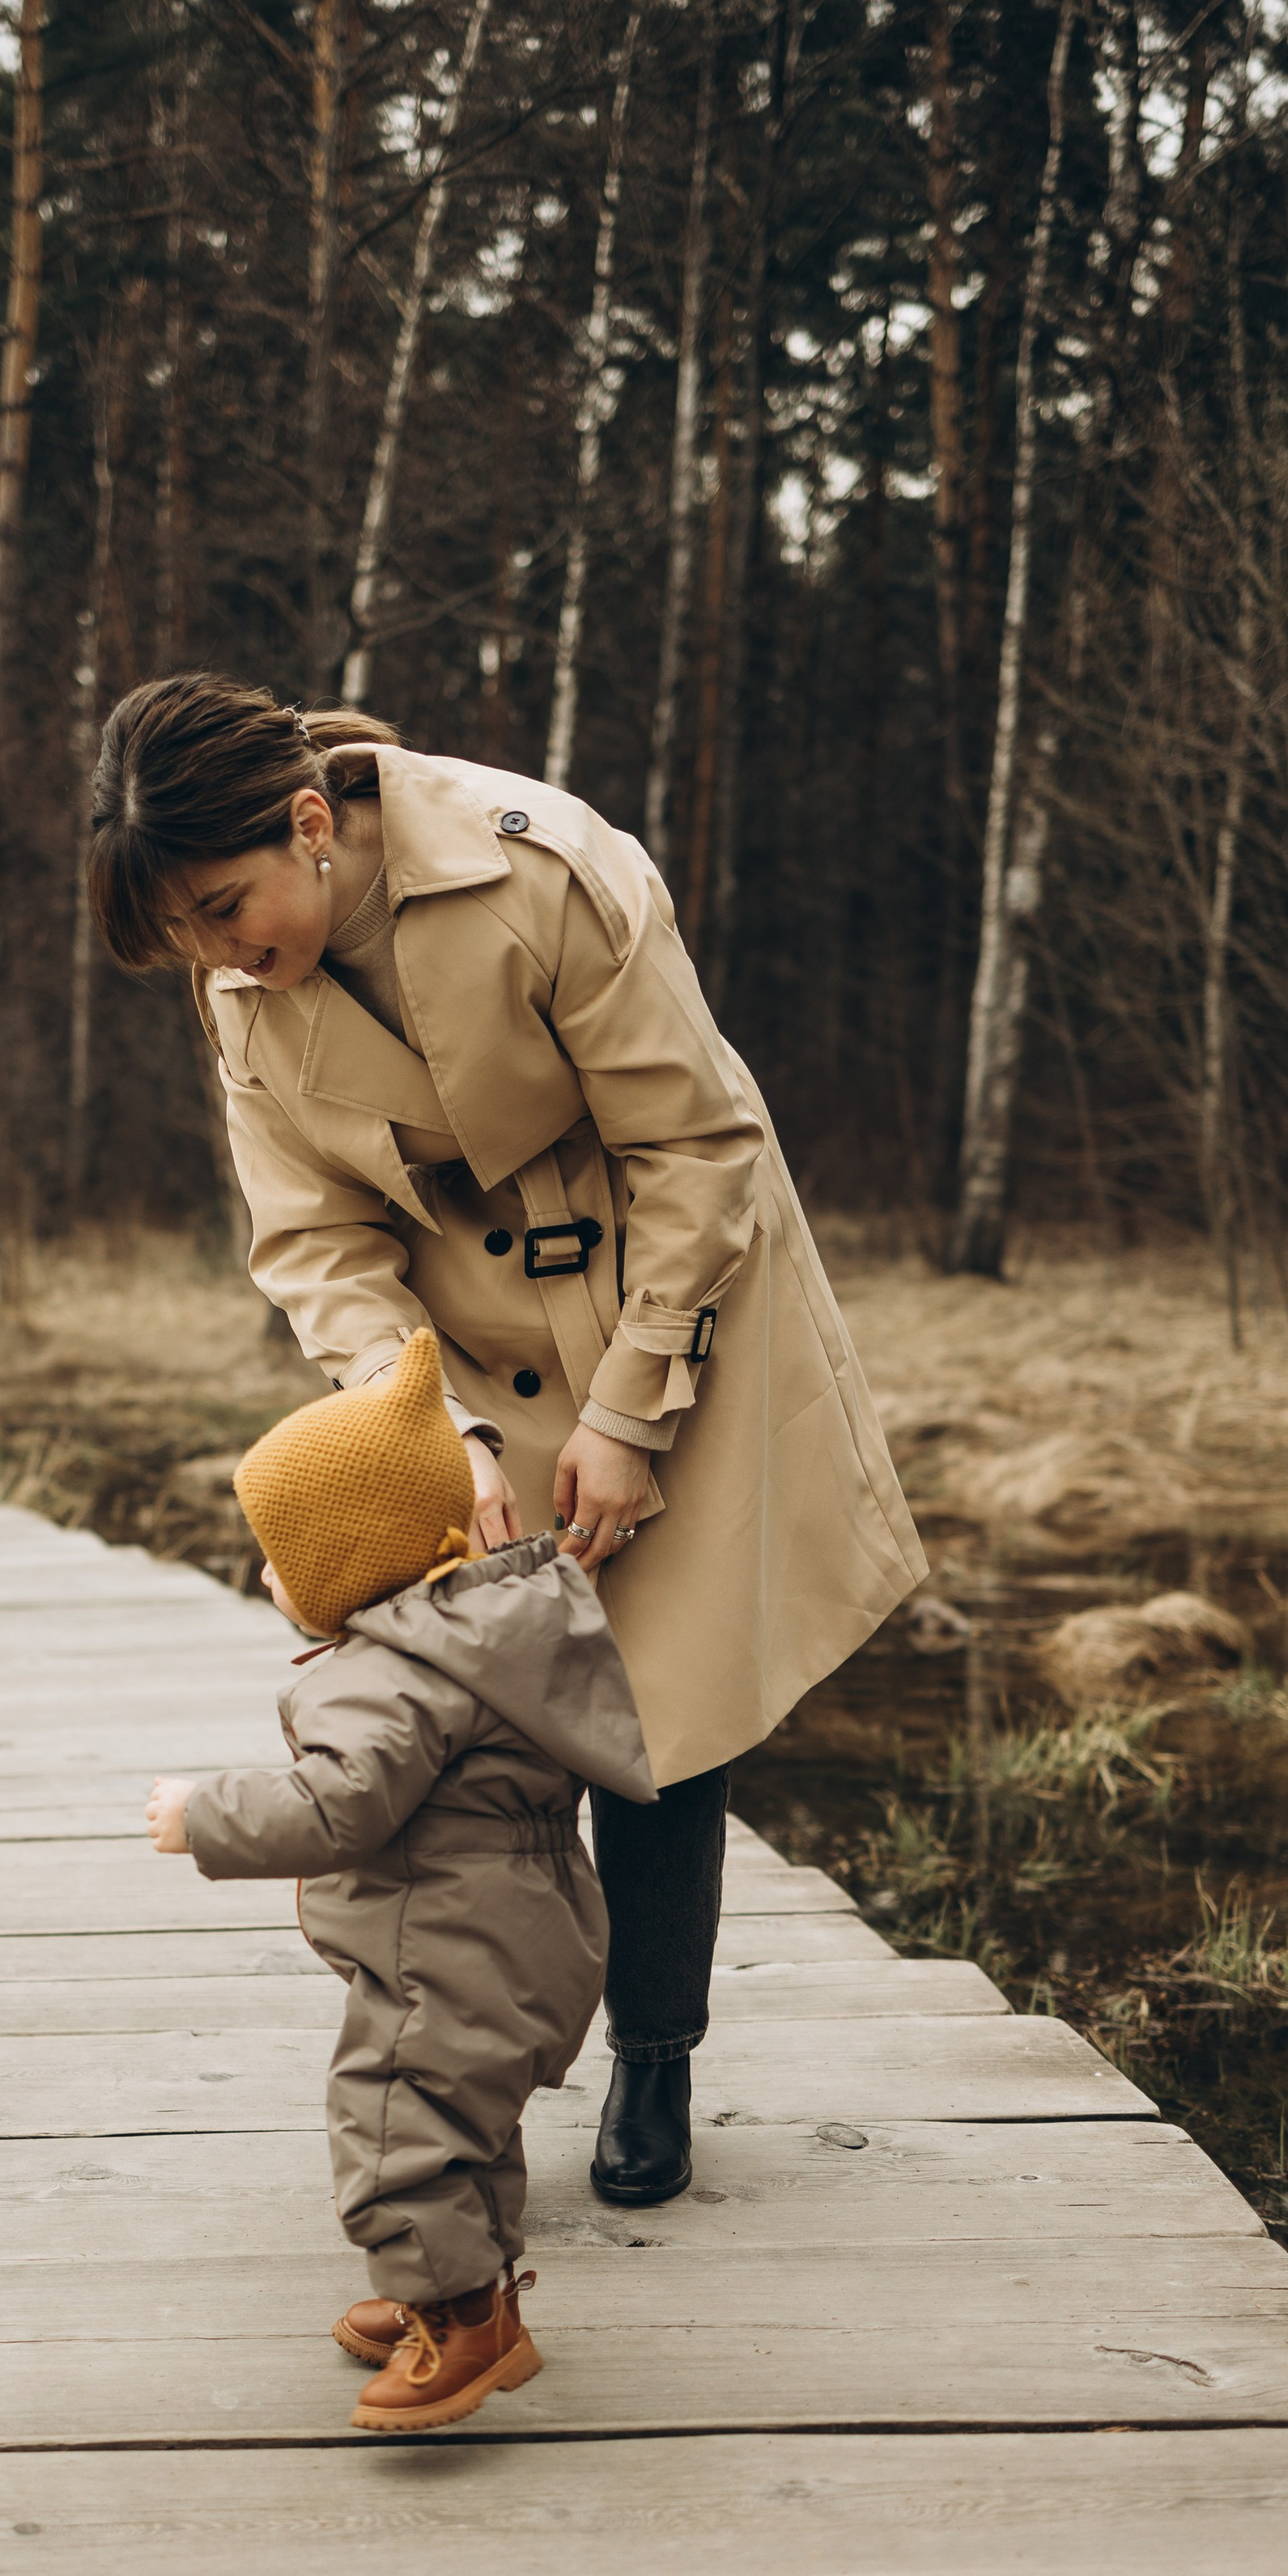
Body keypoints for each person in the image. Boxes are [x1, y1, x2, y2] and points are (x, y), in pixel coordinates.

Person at [94, 676, 925, 2209]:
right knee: (490, 1705)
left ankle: (655, 2054)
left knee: (659, 1716)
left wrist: (627, 1410)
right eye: (188, 938)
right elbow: (313, 1242)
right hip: (455, 1346)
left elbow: (699, 1143)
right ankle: (481, 2070)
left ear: (304, 822)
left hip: (683, 1289)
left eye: (226, 908)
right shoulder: (242, 989)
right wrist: (428, 1430)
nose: (219, 957)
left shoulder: (542, 866)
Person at [147, 1329, 657, 2433]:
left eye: (282, 1553)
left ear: (356, 1560)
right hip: (525, 1928)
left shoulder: (388, 1679)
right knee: (464, 2121)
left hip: (448, 1945)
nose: (268, 1574)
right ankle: (463, 2285)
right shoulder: (490, 1628)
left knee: (391, 2127)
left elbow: (341, 1808)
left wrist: (204, 1817)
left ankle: (464, 2326)